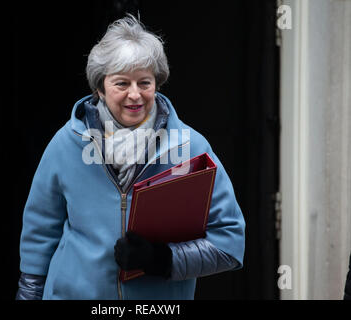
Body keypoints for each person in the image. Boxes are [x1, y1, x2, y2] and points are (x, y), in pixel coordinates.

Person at [16, 14, 245, 300]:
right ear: (99, 88)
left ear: (157, 84)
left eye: (144, 83)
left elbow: (230, 243)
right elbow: (40, 232)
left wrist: (162, 260)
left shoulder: (192, 147)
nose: (135, 95)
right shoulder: (67, 144)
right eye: (121, 84)